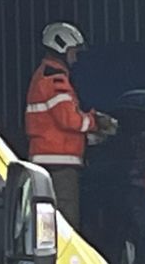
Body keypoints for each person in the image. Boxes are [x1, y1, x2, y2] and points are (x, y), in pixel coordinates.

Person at [25, 22, 115, 233]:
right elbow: (70, 120)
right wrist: (96, 122)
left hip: (49, 162)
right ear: (62, 48)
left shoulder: (46, 75)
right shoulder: (55, 78)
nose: (75, 57)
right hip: (59, 166)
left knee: (47, 224)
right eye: (74, 51)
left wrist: (89, 139)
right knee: (64, 226)